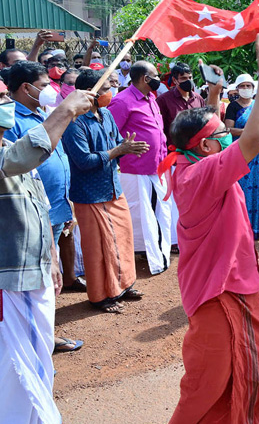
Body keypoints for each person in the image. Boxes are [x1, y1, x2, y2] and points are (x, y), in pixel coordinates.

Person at [147, 10, 259, 424]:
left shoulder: (194, 164)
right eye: (218, 134)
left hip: (229, 280)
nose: (224, 135)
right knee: (210, 373)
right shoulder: (199, 175)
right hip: (217, 287)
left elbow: (226, 129)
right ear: (207, 145)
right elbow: (257, 134)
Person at [0, 80, 95, 424]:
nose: (7, 102)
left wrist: (52, 257)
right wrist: (65, 111)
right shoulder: (12, 151)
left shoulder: (7, 143)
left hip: (31, 275)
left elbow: (35, 203)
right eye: (1, 97)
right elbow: (19, 160)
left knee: (36, 363)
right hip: (8, 285)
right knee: (14, 372)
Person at [6, 62, 89, 335]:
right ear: (25, 88)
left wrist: (68, 203)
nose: (49, 91)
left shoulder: (45, 113)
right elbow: (22, 163)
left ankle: (47, 332)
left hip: (56, 201)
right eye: (43, 86)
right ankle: (44, 335)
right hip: (34, 209)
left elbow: (60, 159)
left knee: (54, 273)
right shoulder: (10, 120)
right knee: (42, 277)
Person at [62, 68, 148, 313]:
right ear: (91, 93)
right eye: (107, 89)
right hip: (89, 194)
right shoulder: (74, 123)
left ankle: (123, 285)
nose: (111, 92)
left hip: (113, 188)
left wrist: (127, 147)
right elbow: (83, 161)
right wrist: (118, 152)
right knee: (98, 248)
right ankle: (100, 297)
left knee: (122, 238)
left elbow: (117, 141)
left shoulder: (107, 114)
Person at [108, 60, 174, 275]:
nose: (158, 79)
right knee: (144, 215)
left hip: (157, 168)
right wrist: (123, 149)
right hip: (135, 169)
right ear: (146, 78)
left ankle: (154, 253)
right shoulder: (122, 101)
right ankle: (154, 258)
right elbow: (109, 135)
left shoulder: (151, 98)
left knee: (157, 213)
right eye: (155, 75)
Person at [225, 73, 259, 238]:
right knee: (242, 187)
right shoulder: (233, 107)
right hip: (242, 151)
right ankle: (242, 227)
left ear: (254, 88)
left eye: (248, 86)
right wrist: (247, 133)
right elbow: (228, 129)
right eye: (242, 86)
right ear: (237, 88)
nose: (245, 89)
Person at [156, 62, 206, 137]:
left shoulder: (198, 99)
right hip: (174, 147)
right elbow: (159, 128)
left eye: (190, 77)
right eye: (183, 78)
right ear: (174, 80)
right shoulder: (163, 100)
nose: (188, 81)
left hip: (196, 146)